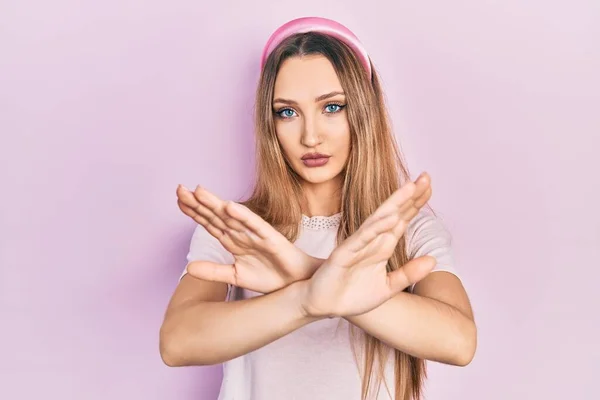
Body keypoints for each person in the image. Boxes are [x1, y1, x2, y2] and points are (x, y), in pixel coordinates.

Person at [159, 16, 476, 400]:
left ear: (362, 110)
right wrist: (305, 299)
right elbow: (177, 342)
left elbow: (458, 342)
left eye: (332, 107)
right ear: (269, 123)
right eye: (287, 112)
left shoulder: (405, 228)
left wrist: (312, 277)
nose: (311, 136)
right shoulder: (239, 230)